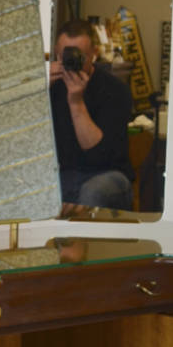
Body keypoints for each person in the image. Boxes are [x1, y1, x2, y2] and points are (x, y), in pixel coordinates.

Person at [49, 19, 134, 213]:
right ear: (56, 52)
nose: (72, 62)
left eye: (79, 56)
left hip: (107, 174)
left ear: (94, 54)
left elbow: (98, 157)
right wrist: (38, 92)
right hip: (63, 174)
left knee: (93, 192)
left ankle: (84, 241)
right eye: (66, 56)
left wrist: (76, 102)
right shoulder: (50, 87)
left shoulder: (115, 90)